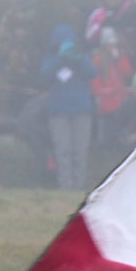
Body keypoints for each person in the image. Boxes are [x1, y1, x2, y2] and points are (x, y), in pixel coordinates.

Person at [40, 24, 96, 191]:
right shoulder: (50, 58)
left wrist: (76, 59)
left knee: (80, 149)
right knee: (62, 150)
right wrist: (60, 59)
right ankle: (65, 186)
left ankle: (79, 185)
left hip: (81, 110)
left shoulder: (81, 56)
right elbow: (44, 75)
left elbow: (92, 73)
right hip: (58, 111)